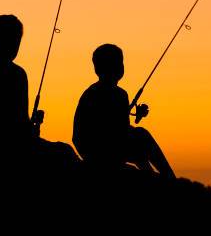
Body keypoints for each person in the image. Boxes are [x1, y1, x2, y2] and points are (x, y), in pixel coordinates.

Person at [0, 14, 79, 173]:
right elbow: (15, 128)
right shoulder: (16, 74)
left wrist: (29, 129)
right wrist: (31, 129)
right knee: (64, 152)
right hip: (5, 153)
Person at [73, 44, 175, 178]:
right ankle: (170, 177)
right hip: (102, 151)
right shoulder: (119, 94)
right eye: (120, 63)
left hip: (88, 149)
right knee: (141, 135)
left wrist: (134, 117)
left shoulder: (90, 92)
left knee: (137, 137)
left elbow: (113, 125)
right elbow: (121, 131)